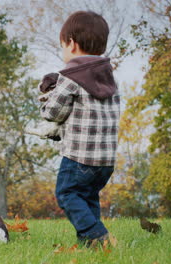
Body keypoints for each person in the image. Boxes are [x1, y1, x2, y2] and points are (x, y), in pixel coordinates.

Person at [40, 10, 120, 247]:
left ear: (72, 44)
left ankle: (99, 236)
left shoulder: (70, 77)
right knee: (87, 199)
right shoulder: (111, 78)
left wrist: (47, 96)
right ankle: (91, 246)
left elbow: (54, 113)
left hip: (78, 157)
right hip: (105, 160)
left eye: (63, 45)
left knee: (67, 195)